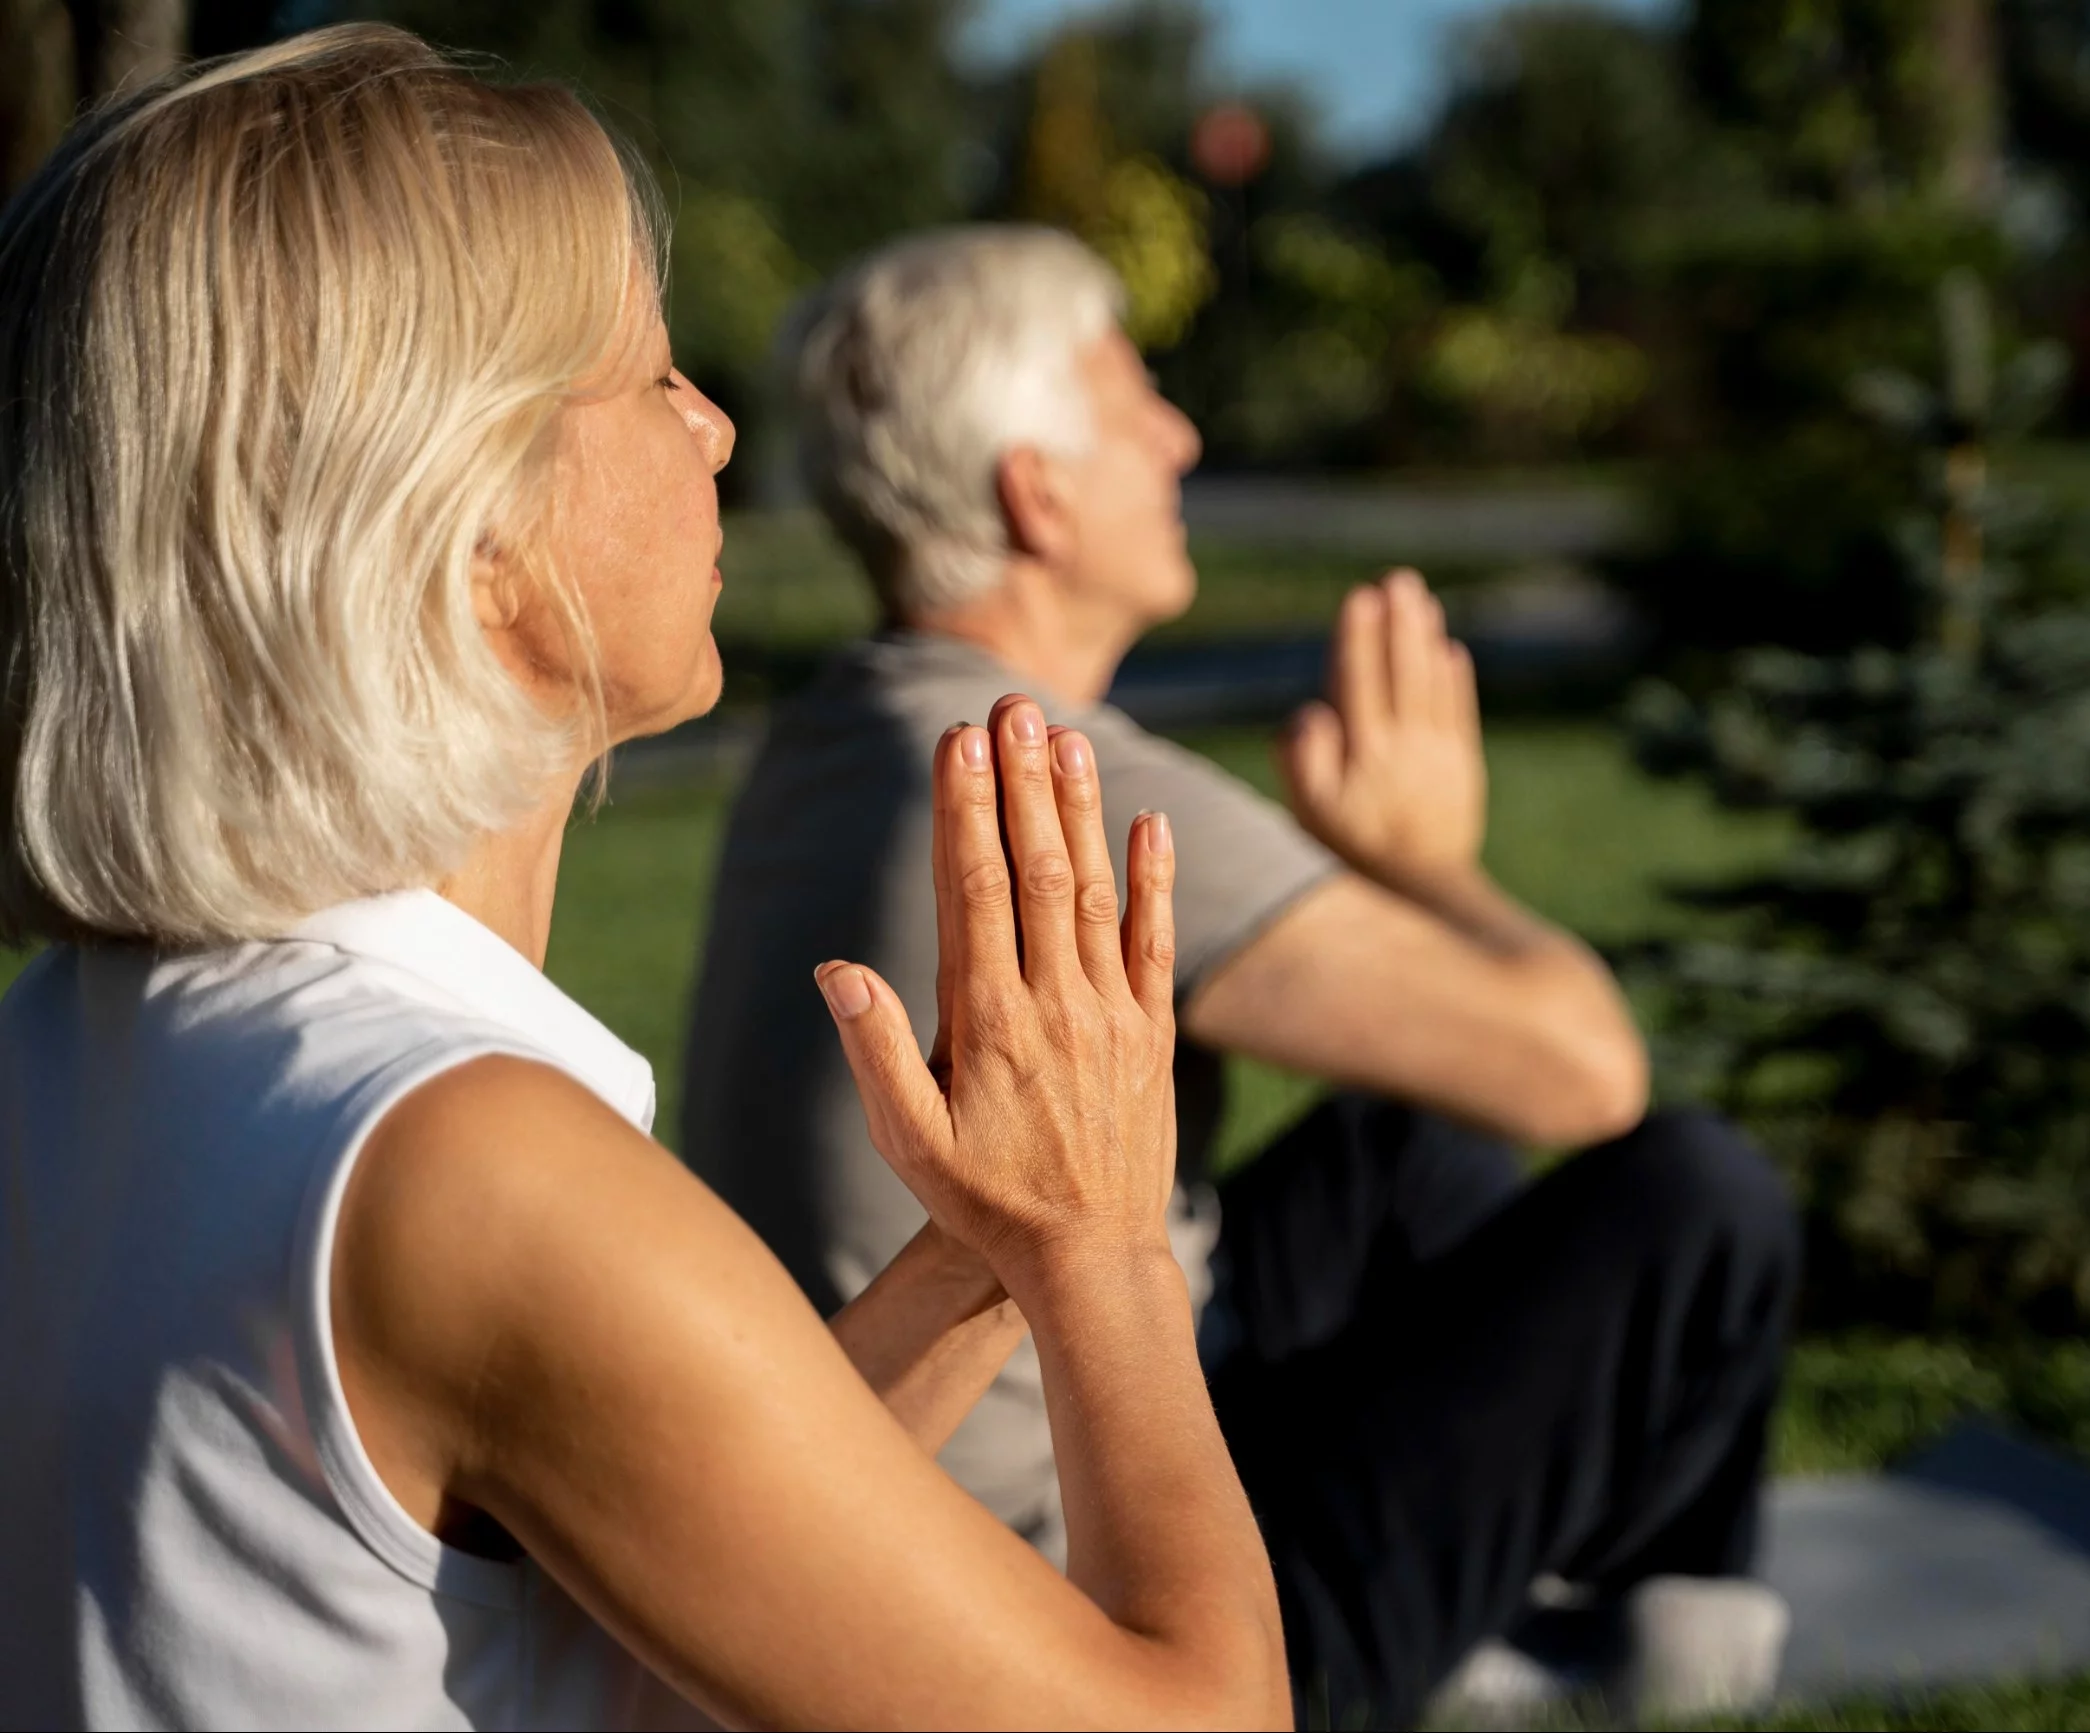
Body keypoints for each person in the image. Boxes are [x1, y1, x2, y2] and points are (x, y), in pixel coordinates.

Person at [0, 33, 1292, 1730]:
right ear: (464, 526)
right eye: (648, 376)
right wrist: (1108, 1250)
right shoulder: (464, 1162)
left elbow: (629, 1612)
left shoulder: (79, 1044)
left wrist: (980, 1257)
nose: (715, 424)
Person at [686, 226, 1804, 1727]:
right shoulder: (1046, 777)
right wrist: (1427, 860)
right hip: (1074, 1596)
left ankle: (1502, 1593)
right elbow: (1585, 1072)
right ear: (1039, 488)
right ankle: (1661, 1652)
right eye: (1134, 397)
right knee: (1698, 1197)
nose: (1180, 435)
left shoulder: (838, 735)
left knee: (1420, 1147)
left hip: (910, 1498)